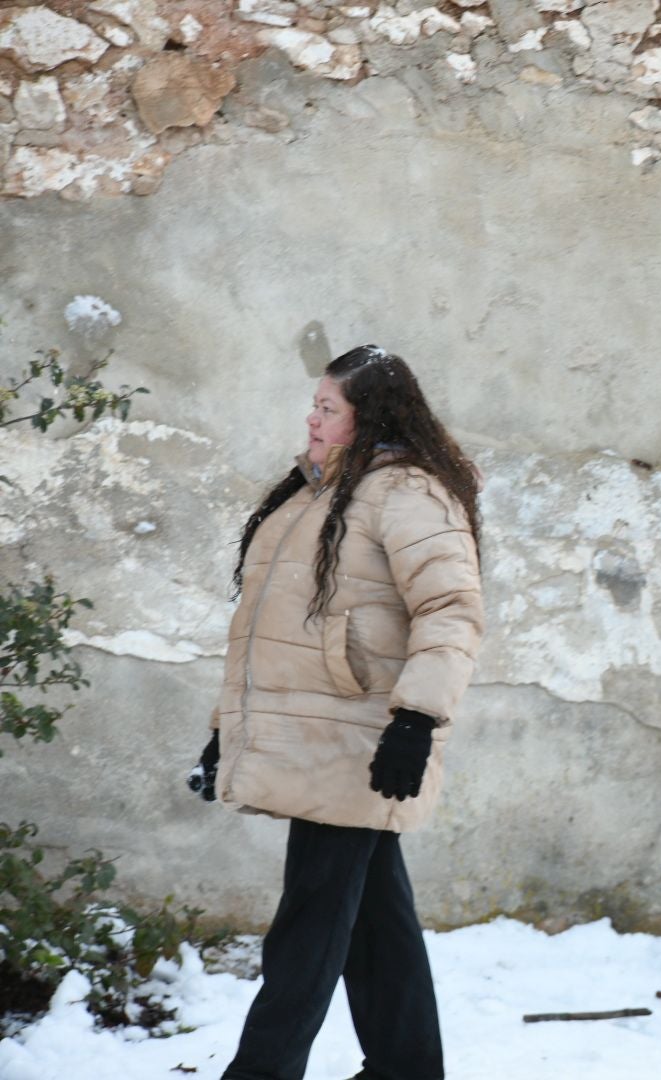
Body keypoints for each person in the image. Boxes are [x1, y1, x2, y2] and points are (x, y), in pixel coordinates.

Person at [189, 345, 484, 1080]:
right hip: (317, 740)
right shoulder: (312, 495)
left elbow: (451, 611)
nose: (312, 419)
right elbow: (266, 636)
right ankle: (407, 1068)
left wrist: (417, 720)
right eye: (314, 406)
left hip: (357, 741)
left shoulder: (406, 494)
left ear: (367, 417)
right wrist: (224, 732)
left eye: (328, 408)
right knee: (375, 926)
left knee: (309, 930)